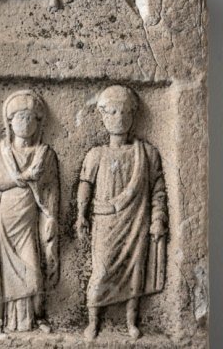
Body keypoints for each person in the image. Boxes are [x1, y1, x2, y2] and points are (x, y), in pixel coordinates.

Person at [76, 85, 168, 340]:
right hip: (105, 222)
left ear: (133, 115)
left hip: (136, 222)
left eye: (125, 112)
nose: (119, 117)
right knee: (101, 272)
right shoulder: (96, 155)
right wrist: (81, 215)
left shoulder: (147, 154)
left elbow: (158, 189)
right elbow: (85, 185)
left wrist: (158, 219)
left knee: (135, 272)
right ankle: (93, 322)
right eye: (113, 112)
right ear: (103, 116)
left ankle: (130, 322)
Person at [0, 90, 59, 333]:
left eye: (30, 118)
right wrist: (23, 177)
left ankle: (38, 317)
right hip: (0, 219)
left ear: (38, 122)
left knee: (34, 270)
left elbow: (52, 189)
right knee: (0, 272)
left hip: (29, 220)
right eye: (20, 117)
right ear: (10, 121)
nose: (25, 123)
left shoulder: (45, 154)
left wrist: (52, 217)